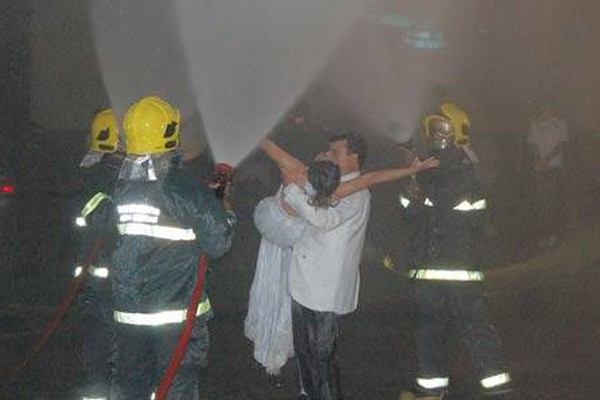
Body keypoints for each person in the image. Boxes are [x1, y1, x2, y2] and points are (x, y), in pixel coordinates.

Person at [245, 138, 438, 379]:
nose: (325, 152)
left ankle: (314, 389)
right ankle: (309, 388)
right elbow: (276, 152)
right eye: (326, 151)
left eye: (331, 152)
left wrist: (412, 170)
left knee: (319, 354)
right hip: (278, 229)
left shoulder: (337, 191)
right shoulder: (303, 173)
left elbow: (369, 180)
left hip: (299, 253)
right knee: (308, 350)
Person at [109, 96, 236, 399]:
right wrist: (222, 205)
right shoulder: (180, 183)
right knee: (175, 389)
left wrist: (199, 200)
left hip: (129, 315)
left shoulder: (124, 184)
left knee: (130, 389)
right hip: (175, 316)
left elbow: (160, 210)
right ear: (170, 132)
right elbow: (218, 242)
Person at [400, 105, 513, 400]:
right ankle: (496, 390)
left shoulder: (432, 171)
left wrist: (412, 181)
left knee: (432, 334)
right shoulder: (464, 168)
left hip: (433, 270)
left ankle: (435, 389)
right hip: (459, 270)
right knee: (472, 333)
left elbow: (413, 216)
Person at [74, 108, 122, 400]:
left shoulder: (97, 172)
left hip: (107, 285)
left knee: (105, 350)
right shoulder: (97, 178)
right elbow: (101, 217)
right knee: (104, 349)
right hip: (103, 287)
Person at [527, 100, 569, 248]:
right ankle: (543, 235)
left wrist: (547, 159)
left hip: (554, 167)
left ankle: (554, 234)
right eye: (542, 106)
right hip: (539, 167)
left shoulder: (559, 123)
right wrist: (539, 159)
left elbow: (562, 144)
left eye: (547, 106)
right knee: (541, 203)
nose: (544, 109)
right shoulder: (535, 124)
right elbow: (532, 145)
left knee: (552, 202)